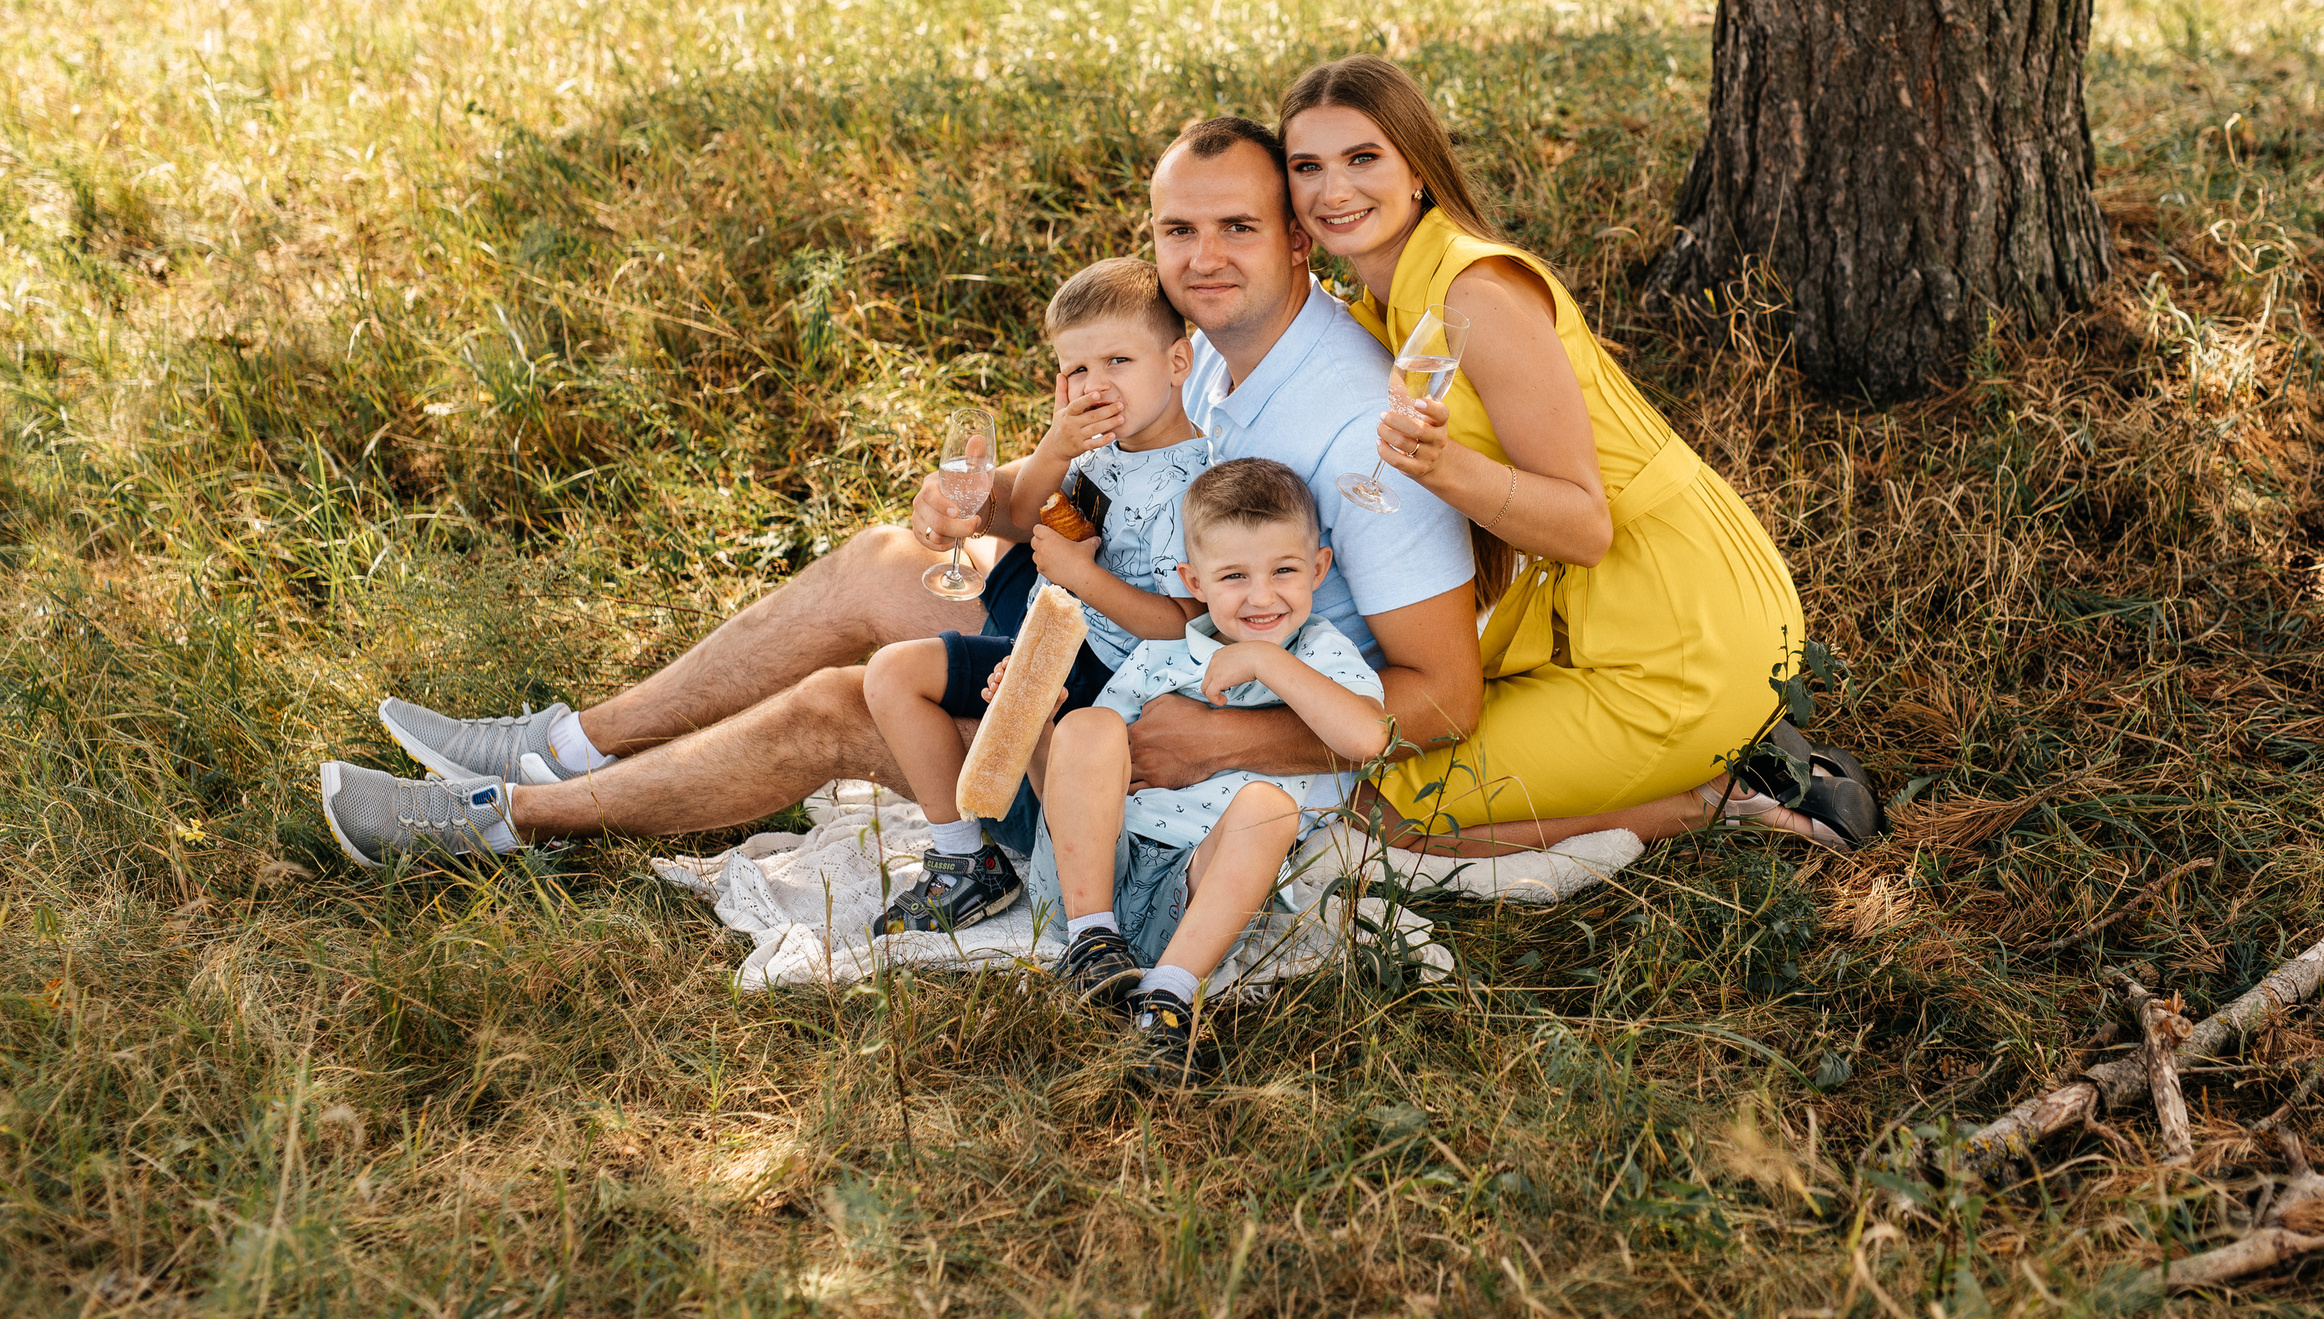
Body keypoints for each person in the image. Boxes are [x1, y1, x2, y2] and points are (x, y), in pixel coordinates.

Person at [314, 116, 1484, 867]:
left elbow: (1443, 693)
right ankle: (562, 744)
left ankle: (496, 826)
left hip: (1184, 715)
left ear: (1297, 238)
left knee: (843, 704)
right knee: (889, 557)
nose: (1203, 254)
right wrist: (984, 511)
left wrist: (1229, 735)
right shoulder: (1211, 346)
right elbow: (1110, 500)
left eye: (1238, 225)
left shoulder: (1353, 420)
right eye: (1179, 228)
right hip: (1119, 635)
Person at [1277, 55, 1882, 853]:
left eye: (1363, 158)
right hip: (1608, 611)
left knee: (1392, 814)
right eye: (1306, 167)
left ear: (1417, 167)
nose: (1334, 190)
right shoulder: (1384, 302)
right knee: (1379, 761)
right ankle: (1726, 757)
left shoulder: (1472, 294)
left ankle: (1724, 795)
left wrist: (1442, 466)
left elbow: (1586, 525)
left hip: (1679, 624)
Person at [861, 256, 1211, 936]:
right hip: (1042, 637)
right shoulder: (1096, 445)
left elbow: (1182, 626)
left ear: (1177, 361)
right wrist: (1055, 442)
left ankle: (1064, 875)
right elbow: (1021, 511)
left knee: (1000, 707)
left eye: (1117, 360)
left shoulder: (1193, 487)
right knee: (890, 674)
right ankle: (967, 862)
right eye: (1077, 369)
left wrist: (1083, 579)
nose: (1095, 385)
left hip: (1105, 676)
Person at [1037, 458, 1388, 1081]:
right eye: (1233, 576)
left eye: (1284, 570)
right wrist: (1043, 725)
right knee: (1089, 725)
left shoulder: (1321, 655)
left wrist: (1266, 662)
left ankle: (1168, 998)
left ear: (1319, 569)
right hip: (1093, 875)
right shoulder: (1164, 653)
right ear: (1192, 580)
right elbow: (1087, 779)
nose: (1261, 596)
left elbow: (1368, 738)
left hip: (1202, 892)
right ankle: (1090, 945)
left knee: (1268, 809)